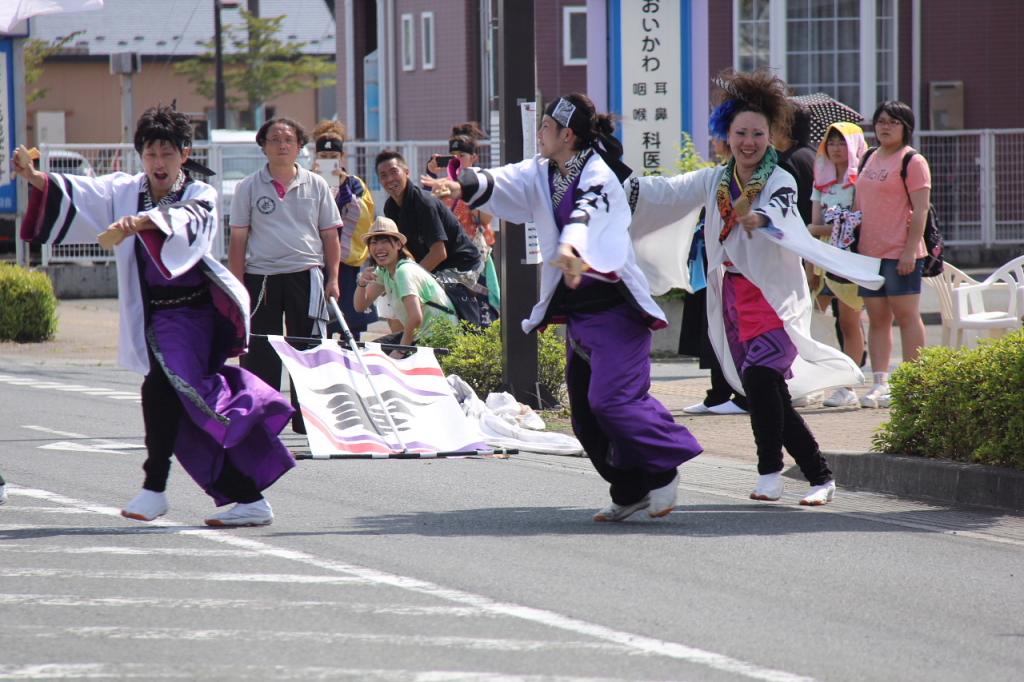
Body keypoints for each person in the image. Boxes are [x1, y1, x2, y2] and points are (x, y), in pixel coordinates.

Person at [423, 92, 703, 522]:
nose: (540, 135)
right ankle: (629, 490)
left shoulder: (599, 173)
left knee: (613, 402)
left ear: (567, 135)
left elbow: (587, 212)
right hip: (580, 316)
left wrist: (572, 246)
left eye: (546, 128)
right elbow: (505, 180)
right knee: (586, 418)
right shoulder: (543, 171)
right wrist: (461, 185)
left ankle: (664, 468)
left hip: (618, 312)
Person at [15, 105, 295, 526]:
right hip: (153, 317)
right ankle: (247, 496)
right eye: (150, 153)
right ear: (140, 156)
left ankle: (155, 488)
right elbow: (83, 194)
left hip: (193, 315)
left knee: (163, 392)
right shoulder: (125, 190)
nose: (158, 162)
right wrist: (35, 178)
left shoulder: (200, 194)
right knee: (180, 412)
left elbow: (185, 224)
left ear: (185, 154)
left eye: (167, 153)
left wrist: (146, 221)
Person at [628, 70, 885, 506]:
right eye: (741, 133)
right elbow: (666, 191)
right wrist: (618, 183)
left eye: (758, 134)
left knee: (763, 382)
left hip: (774, 298)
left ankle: (771, 472)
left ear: (772, 135)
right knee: (765, 393)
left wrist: (761, 219)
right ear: (726, 134)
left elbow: (782, 212)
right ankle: (819, 475)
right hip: (733, 298)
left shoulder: (779, 178)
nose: (749, 141)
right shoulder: (715, 180)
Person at [228, 117, 343, 434]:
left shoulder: (316, 184)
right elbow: (238, 239)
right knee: (259, 349)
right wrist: (237, 286)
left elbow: (330, 235)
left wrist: (333, 278)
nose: (281, 145)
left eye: (288, 139)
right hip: (260, 277)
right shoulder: (248, 186)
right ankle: (262, 418)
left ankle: (307, 419)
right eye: (274, 139)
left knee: (307, 347)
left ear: (299, 146)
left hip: (306, 274)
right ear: (262, 146)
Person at [853, 101, 931, 409]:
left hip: (901, 253)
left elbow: (921, 209)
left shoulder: (912, 161)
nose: (885, 127)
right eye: (881, 121)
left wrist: (910, 250)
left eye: (893, 122)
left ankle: (914, 383)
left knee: (907, 316)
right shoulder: (869, 157)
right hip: (868, 254)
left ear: (906, 127)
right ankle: (879, 382)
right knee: (877, 318)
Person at [680, 136, 748, 416]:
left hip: (743, 266)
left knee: (738, 333)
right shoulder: (719, 174)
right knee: (712, 329)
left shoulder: (764, 176)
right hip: (713, 261)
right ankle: (718, 393)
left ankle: (743, 395)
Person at [376, 150, 483, 323]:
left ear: (407, 172)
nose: (389, 179)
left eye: (394, 172)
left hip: (461, 266)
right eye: (383, 175)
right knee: (390, 296)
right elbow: (401, 251)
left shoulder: (424, 203)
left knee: (412, 294)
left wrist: (406, 278)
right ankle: (405, 345)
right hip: (433, 266)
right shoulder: (390, 207)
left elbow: (439, 253)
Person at [807, 122, 868, 408]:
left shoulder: (861, 182)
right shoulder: (821, 181)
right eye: (830, 142)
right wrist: (810, 265)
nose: (835, 148)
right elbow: (815, 225)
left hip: (848, 259)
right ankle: (821, 380)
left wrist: (819, 229)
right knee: (816, 322)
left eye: (842, 142)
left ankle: (849, 384)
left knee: (848, 321)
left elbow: (854, 225)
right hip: (822, 259)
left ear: (854, 146)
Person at [426, 122, 501, 322]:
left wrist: (470, 193)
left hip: (474, 256)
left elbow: (485, 220)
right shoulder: (441, 185)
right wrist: (433, 176)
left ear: (474, 158)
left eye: (462, 156)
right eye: (454, 156)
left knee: (479, 308)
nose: (458, 160)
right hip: (449, 256)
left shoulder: (480, 183)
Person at [310, 119, 378, 338]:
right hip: (317, 259)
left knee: (351, 315)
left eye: (333, 157)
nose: (328, 161)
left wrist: (345, 191)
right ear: (316, 157)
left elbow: (364, 216)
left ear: (341, 157)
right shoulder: (307, 181)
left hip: (347, 259)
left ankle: (352, 351)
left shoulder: (354, 183)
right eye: (324, 156)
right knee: (322, 319)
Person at [353, 217, 458, 354]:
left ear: (398, 245)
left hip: (437, 342)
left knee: (376, 358)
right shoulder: (384, 271)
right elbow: (360, 307)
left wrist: (400, 351)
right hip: (419, 337)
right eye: (374, 243)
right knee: (365, 351)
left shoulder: (404, 271)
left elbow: (415, 318)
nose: (379, 248)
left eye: (385, 241)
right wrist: (361, 284)